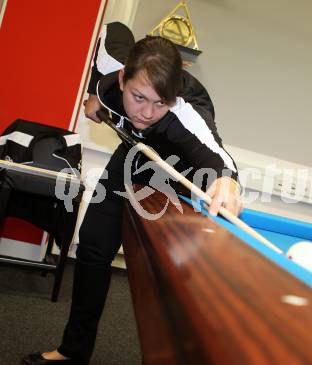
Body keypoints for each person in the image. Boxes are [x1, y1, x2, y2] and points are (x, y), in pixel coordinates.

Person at [22, 22, 242, 365]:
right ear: (123, 78)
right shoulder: (112, 72)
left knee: (166, 273)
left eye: (159, 103)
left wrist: (225, 181)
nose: (147, 112)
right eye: (138, 98)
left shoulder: (184, 114)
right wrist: (98, 98)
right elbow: (113, 31)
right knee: (94, 243)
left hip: (176, 168)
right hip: (135, 153)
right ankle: (72, 351)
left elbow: (217, 158)